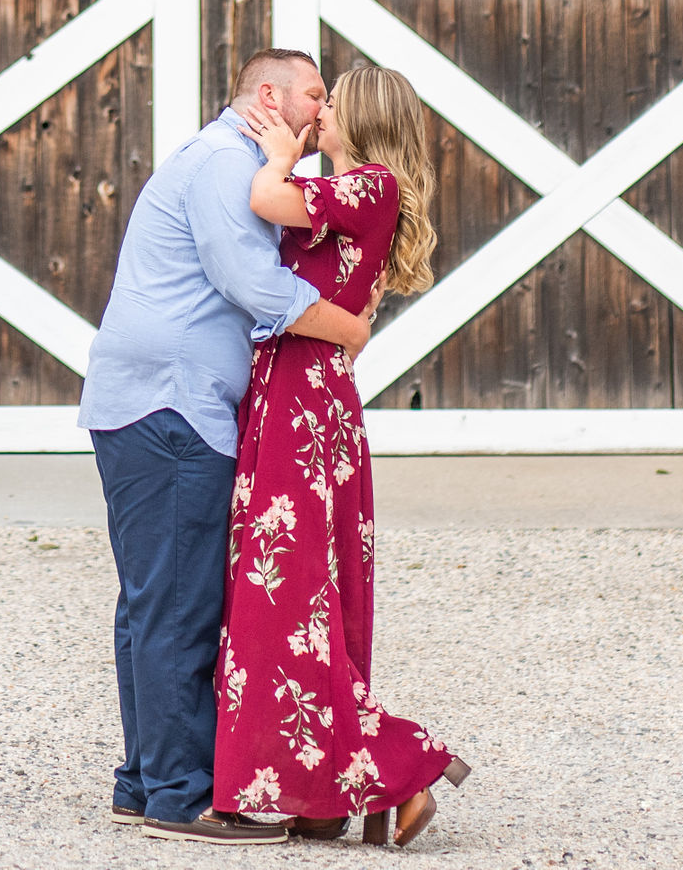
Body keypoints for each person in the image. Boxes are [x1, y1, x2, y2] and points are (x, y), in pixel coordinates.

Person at [81, 47, 376, 845]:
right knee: (178, 602)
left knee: (151, 599)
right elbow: (252, 283)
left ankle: (145, 782)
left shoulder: (239, 166)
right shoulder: (222, 164)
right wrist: (346, 326)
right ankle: (182, 798)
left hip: (152, 403)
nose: (323, 111)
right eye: (316, 95)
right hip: (172, 408)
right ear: (271, 95)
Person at [216, 64, 473, 847]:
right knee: (295, 600)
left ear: (360, 118)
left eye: (331, 106)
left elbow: (265, 201)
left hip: (305, 400)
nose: (318, 114)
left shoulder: (369, 185)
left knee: (288, 600)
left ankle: (403, 767)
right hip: (296, 390)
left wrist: (277, 152)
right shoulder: (356, 193)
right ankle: (326, 794)